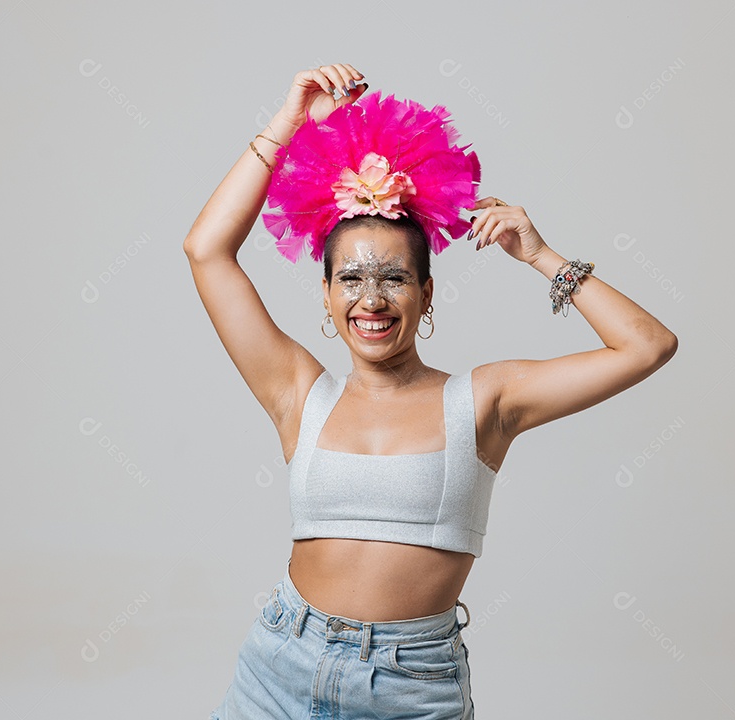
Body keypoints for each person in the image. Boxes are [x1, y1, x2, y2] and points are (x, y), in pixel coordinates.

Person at [184, 63, 677, 719]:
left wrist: (542, 256)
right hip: (279, 666)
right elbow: (206, 249)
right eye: (350, 280)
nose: (372, 300)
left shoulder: (485, 403)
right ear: (327, 297)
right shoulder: (298, 393)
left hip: (411, 686)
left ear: (427, 292)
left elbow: (648, 345)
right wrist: (289, 123)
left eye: (394, 278)